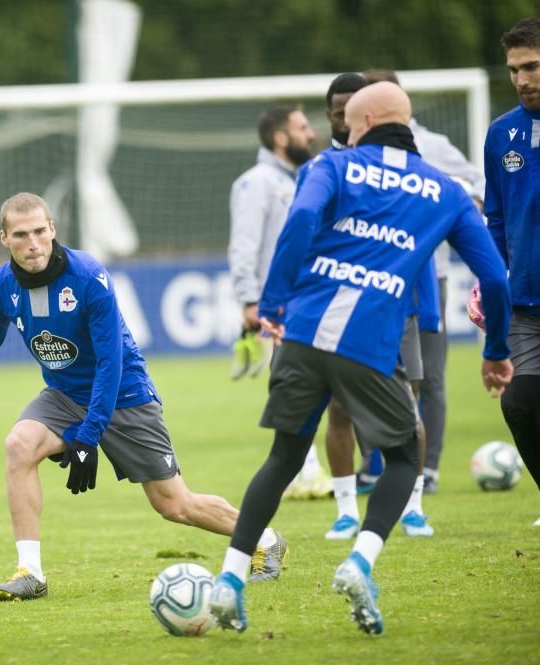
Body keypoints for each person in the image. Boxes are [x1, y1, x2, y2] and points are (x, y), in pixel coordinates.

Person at [207, 82, 513, 636]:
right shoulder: (444, 191)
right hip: (370, 344)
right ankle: (360, 560)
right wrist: (495, 351)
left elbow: (300, 223)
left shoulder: (330, 166)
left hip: (301, 333)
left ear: (365, 120)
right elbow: (493, 277)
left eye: (345, 119)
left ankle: (229, 580)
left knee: (282, 459)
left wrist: (273, 300)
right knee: (403, 455)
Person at [0, 192, 289, 602]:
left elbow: (110, 363)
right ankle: (29, 572)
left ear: (53, 229)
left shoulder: (87, 276)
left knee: (173, 504)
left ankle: (266, 539)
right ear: (5, 238)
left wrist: (88, 436)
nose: (33, 243)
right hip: (63, 394)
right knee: (18, 446)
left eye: (40, 231)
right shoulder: (2, 285)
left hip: (124, 394)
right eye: (21, 235)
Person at [312, 74, 439, 540]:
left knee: (409, 407)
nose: (345, 117)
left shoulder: (403, 164)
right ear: (330, 115)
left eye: (352, 107)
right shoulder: (323, 169)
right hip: (338, 310)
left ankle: (414, 506)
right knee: (340, 411)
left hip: (396, 307)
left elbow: (417, 241)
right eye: (337, 109)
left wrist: (429, 311)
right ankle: (346, 509)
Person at [364, 68, 488, 496]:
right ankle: (374, 464)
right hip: (371, 279)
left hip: (426, 278)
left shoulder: (432, 146)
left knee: (429, 375)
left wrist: (465, 203)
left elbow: (477, 179)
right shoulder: (354, 156)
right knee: (371, 372)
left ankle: (427, 467)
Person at [228, 105, 333, 500]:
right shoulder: (256, 184)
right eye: (302, 127)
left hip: (314, 298)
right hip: (282, 305)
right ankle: (306, 471)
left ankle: (315, 471)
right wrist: (250, 299)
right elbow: (245, 246)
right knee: (296, 390)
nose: (311, 134)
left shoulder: (309, 176)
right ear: (280, 138)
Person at [481, 17, 540, 525]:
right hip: (525, 304)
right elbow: (495, 218)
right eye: (514, 70)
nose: (522, 79)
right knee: (520, 404)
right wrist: (489, 277)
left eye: (533, 66)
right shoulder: (502, 134)